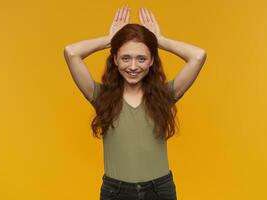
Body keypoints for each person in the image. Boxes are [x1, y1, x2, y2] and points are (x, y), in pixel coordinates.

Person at [63, 5, 206, 200]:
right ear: (115, 59)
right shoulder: (100, 96)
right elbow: (71, 53)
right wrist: (110, 40)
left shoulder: (165, 95)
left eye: (141, 58)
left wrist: (160, 41)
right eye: (125, 58)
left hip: (159, 191)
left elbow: (198, 56)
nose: (133, 66)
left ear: (151, 61)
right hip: (116, 192)